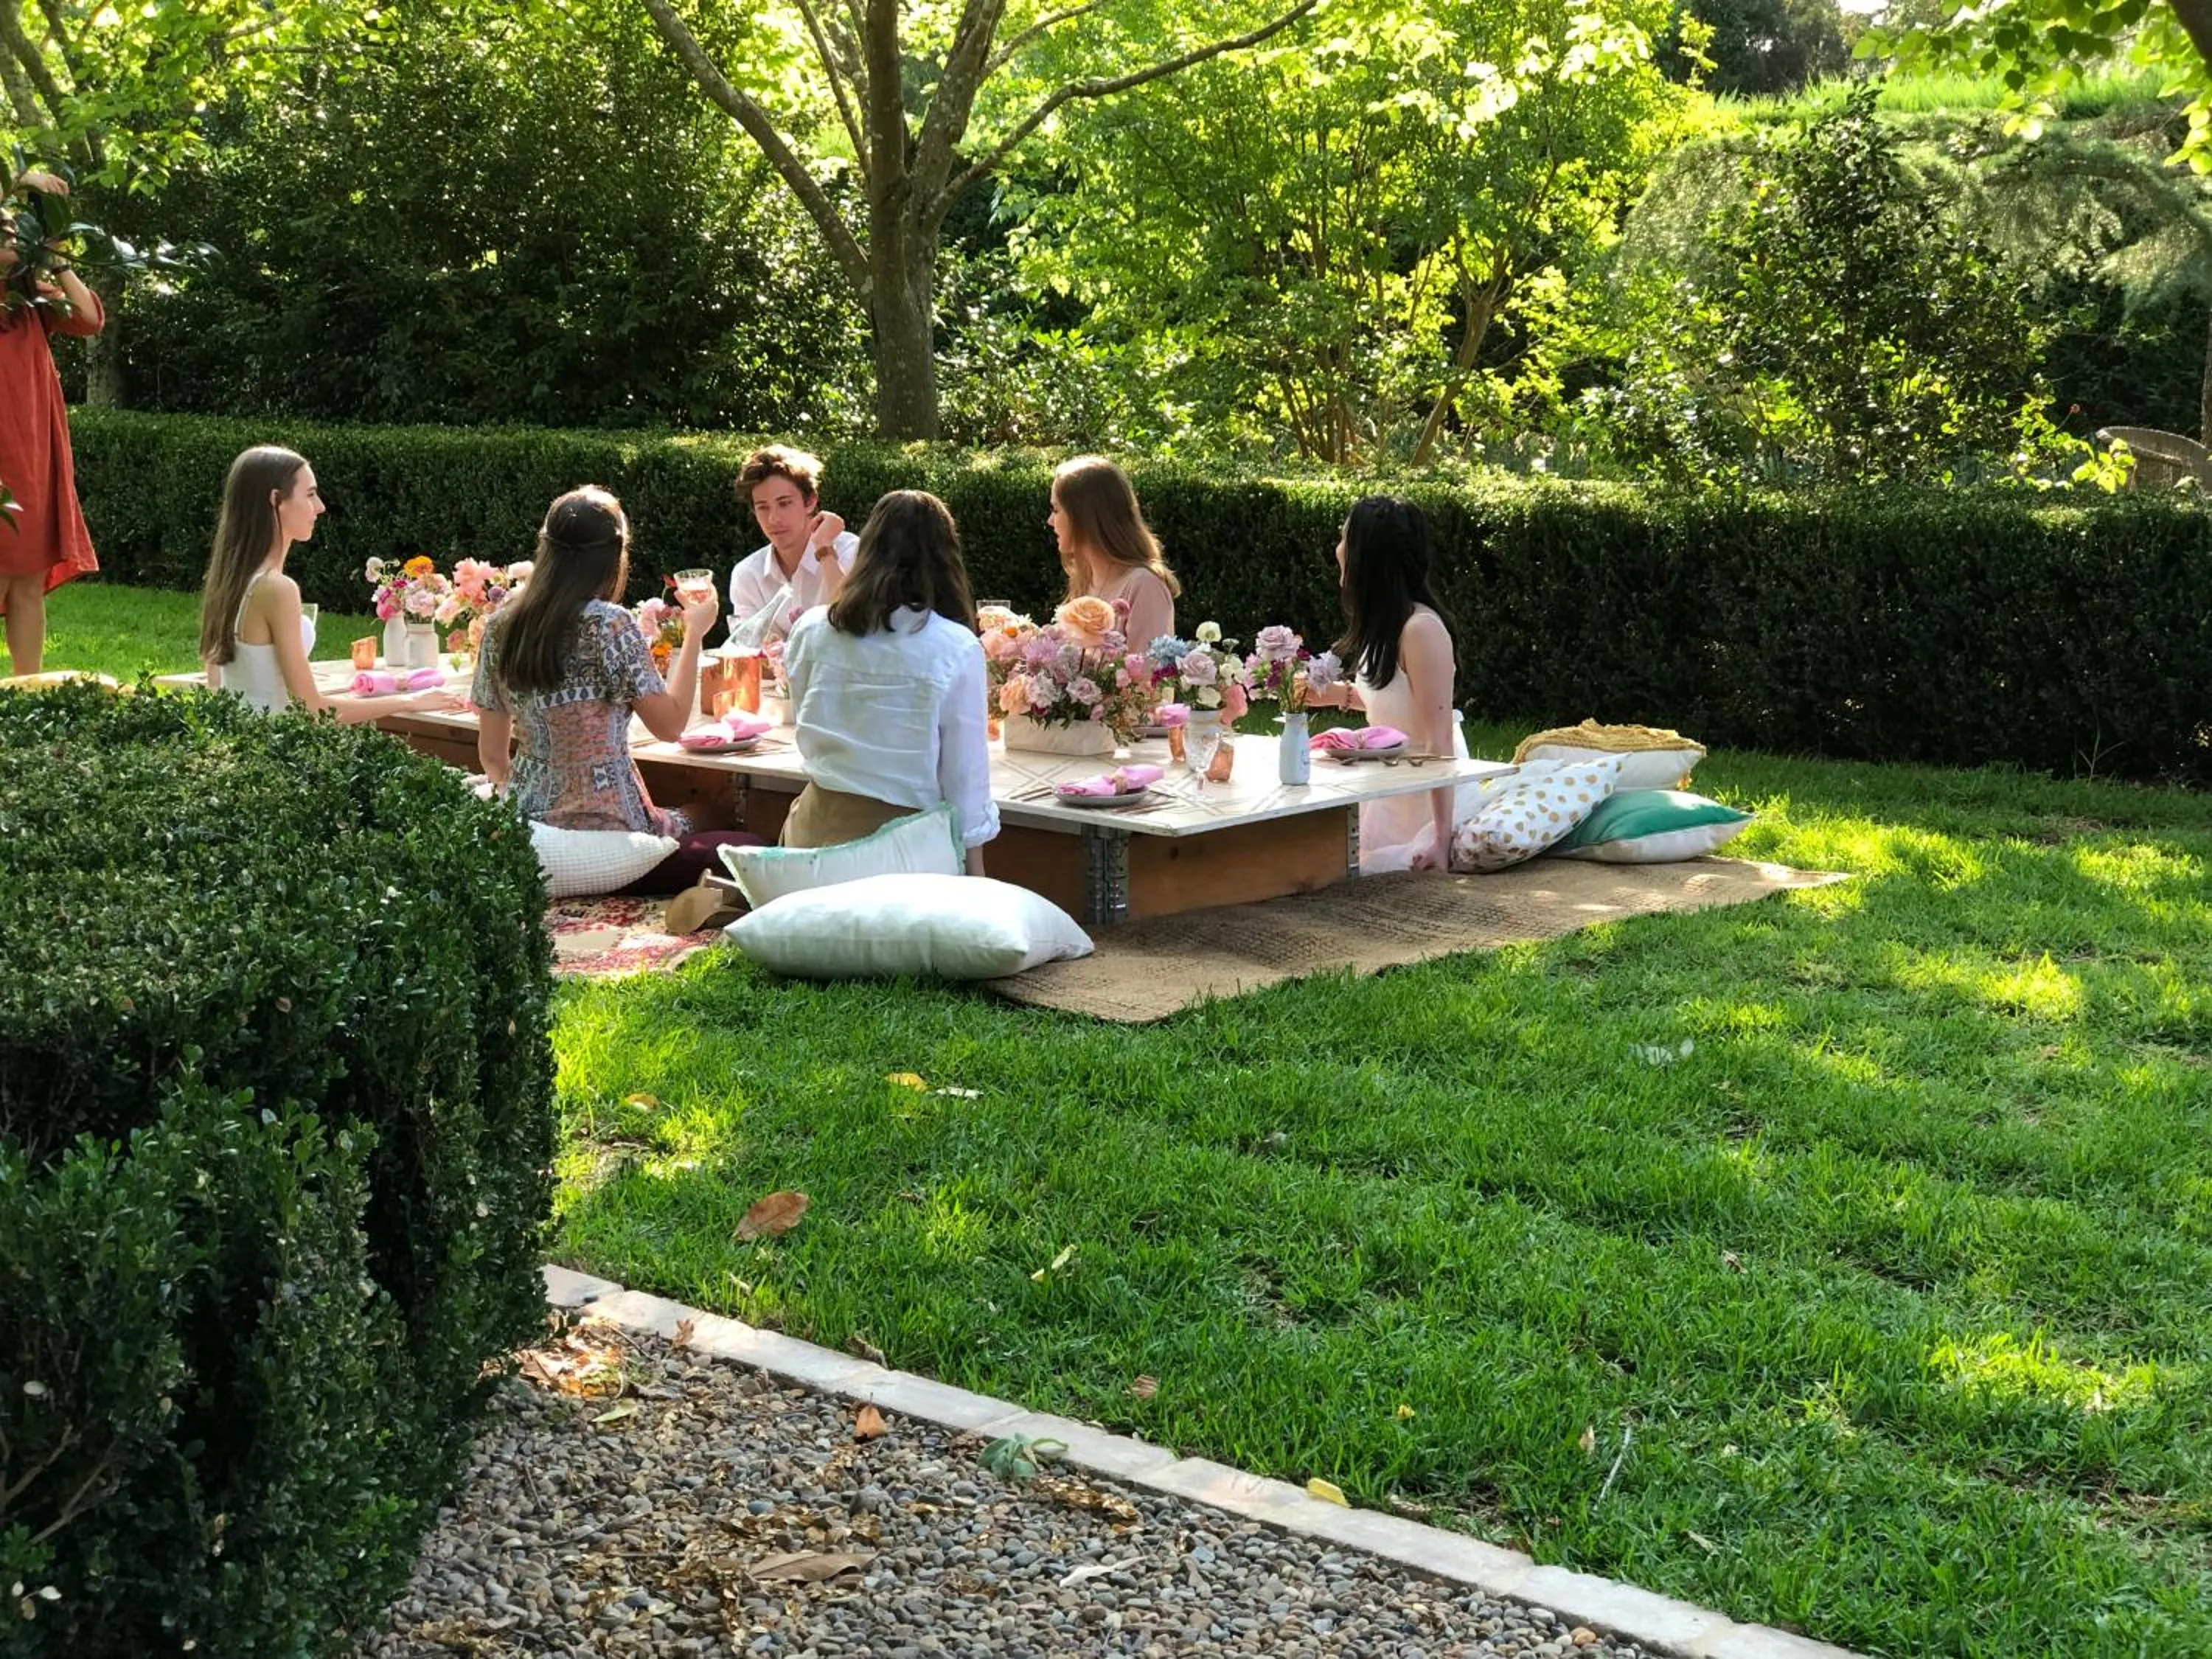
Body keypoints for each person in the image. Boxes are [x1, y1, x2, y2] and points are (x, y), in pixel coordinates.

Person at [472, 486, 761, 896]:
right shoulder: (610, 624)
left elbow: (491, 757)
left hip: (533, 827)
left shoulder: (501, 626)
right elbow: (671, 725)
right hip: (616, 830)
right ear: (613, 557)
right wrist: (695, 633)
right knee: (714, 809)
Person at [781, 490, 998, 872]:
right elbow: (965, 781)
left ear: (866, 550)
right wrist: (976, 877)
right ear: (945, 559)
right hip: (902, 855)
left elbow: (805, 722)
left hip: (809, 842)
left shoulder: (811, 628)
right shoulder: (954, 647)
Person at [199, 445, 460, 723]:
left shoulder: (229, 581)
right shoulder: (276, 589)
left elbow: (218, 686)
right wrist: (410, 701)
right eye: (310, 495)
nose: (320, 507)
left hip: (244, 745)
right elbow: (312, 709)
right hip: (276, 750)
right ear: (275, 500)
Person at [1301, 495, 1467, 873]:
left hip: (1423, 800)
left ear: (1366, 556)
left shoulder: (1421, 630)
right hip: (1390, 788)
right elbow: (1397, 704)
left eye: (1345, 537)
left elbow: (1439, 738)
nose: (1337, 548)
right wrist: (1332, 695)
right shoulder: (1387, 625)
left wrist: (1442, 840)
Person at [1, 169, 102, 677]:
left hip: (32, 456)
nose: (13, 235)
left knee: (26, 580)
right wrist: (18, 182)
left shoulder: (32, 300)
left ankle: (24, 694)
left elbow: (88, 317)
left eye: (16, 229)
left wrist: (60, 258)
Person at [725, 445, 856, 643]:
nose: (773, 519)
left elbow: (856, 628)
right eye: (763, 508)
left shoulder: (850, 552)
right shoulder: (748, 574)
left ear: (810, 502)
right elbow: (749, 650)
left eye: (784, 503)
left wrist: (825, 550)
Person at [1048, 455, 1178, 650]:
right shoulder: (1086, 579)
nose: (1050, 521)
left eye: (1056, 510)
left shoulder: (1144, 585)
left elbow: (1149, 676)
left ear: (1085, 517)